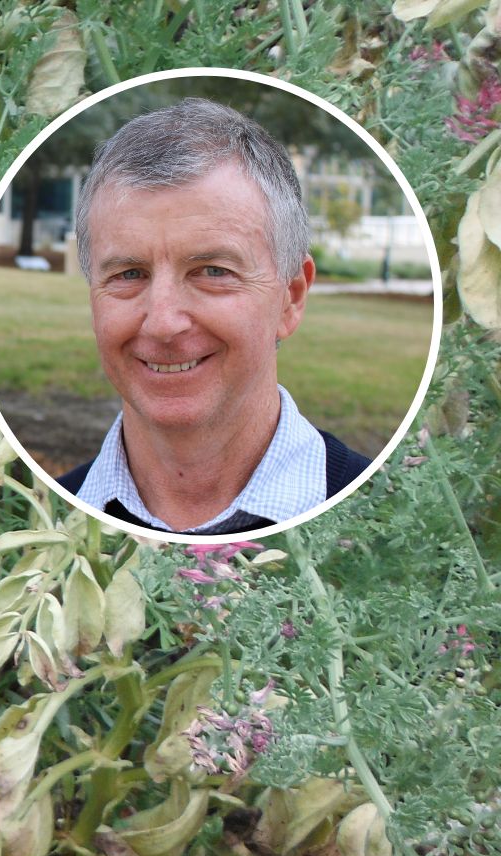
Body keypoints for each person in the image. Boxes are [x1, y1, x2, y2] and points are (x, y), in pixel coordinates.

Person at [54, 98, 370, 534]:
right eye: (129, 274)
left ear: (291, 297)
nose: (163, 323)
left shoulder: (390, 528)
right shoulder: (38, 531)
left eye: (213, 272)